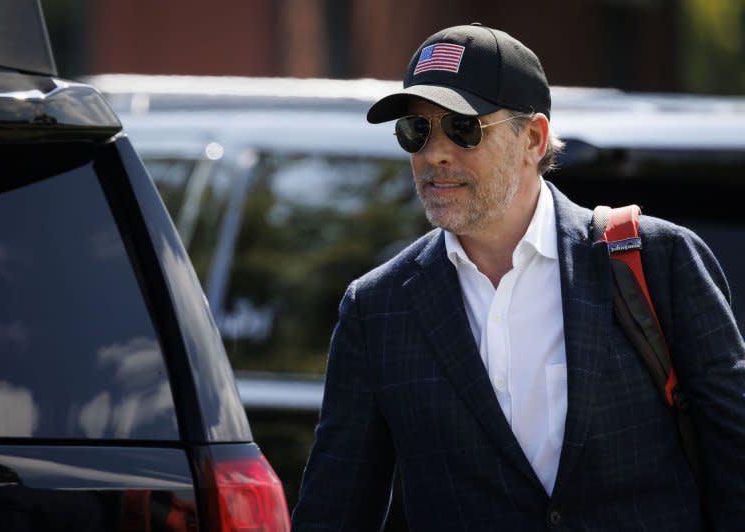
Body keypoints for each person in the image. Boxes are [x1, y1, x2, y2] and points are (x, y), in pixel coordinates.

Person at [290, 22, 745, 531]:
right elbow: (334, 510)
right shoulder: (376, 308)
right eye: (417, 131)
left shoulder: (661, 260)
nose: (435, 154)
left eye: (463, 127)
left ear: (533, 138)